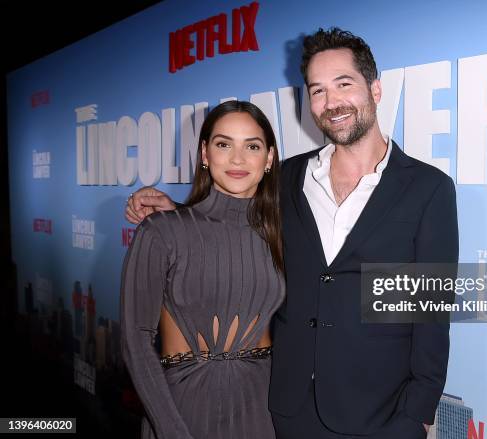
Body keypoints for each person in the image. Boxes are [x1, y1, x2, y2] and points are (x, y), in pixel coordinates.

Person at [126, 28, 458, 439]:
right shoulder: (288, 178)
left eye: (343, 84)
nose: (331, 102)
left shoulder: (428, 189)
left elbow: (430, 313)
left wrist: (417, 418)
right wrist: (174, 214)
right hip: (284, 409)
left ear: (375, 89)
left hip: (381, 417)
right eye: (317, 90)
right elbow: (235, 222)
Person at [121, 100, 285, 439]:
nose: (238, 159)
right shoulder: (160, 232)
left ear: (268, 158)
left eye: (252, 146)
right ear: (205, 154)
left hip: (263, 410)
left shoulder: (284, 234)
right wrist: (170, 429)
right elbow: (135, 340)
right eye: (224, 144)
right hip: (183, 407)